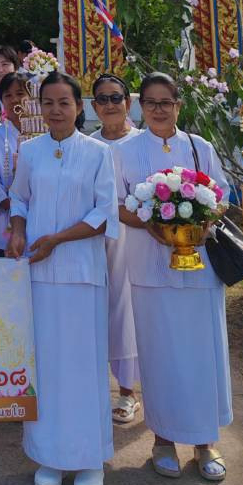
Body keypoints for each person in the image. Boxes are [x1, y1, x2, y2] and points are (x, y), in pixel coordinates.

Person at [114, 71, 232, 482]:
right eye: (151, 102)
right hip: (149, 268)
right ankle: (163, 439)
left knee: (202, 354)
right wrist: (152, 224)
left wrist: (197, 221)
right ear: (139, 107)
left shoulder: (199, 148)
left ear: (179, 105)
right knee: (160, 354)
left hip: (200, 270)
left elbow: (221, 197)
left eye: (167, 102)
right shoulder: (125, 152)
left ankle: (204, 441)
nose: (159, 110)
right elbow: (117, 206)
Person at [6, 70, 118, 485]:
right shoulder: (30, 151)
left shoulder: (97, 153)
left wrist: (57, 239)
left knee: (83, 367)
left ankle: (90, 460)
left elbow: (104, 213)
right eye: (48, 103)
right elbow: (19, 198)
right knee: (48, 367)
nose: (55, 110)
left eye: (64, 103)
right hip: (39, 273)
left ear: (78, 107)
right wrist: (19, 230)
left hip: (82, 275)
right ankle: (49, 456)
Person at [90, 72, 140, 425]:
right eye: (102, 99)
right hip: (90, 238)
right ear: (93, 107)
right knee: (94, 312)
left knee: (127, 313)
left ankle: (127, 392)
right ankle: (92, 388)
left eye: (115, 98)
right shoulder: (87, 144)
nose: (109, 105)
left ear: (129, 102)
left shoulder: (142, 143)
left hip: (133, 239)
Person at [0, 72, 28, 257]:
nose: (14, 100)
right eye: (8, 95)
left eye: (20, 93)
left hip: (41, 216)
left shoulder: (46, 132)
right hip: (6, 219)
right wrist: (8, 201)